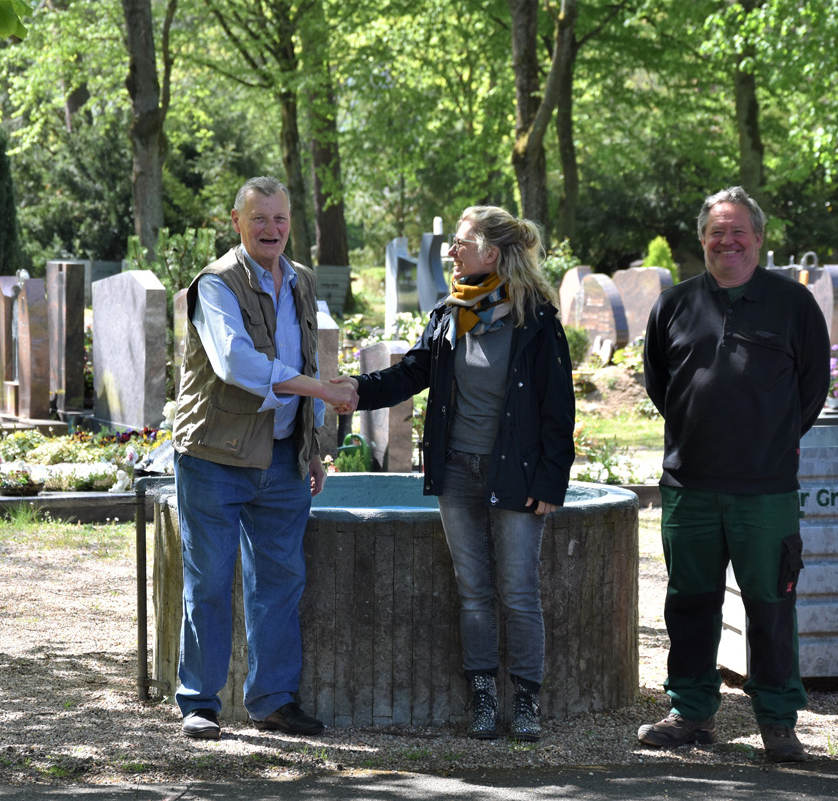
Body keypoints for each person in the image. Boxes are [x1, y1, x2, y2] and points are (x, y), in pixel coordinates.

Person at [333, 206, 575, 742]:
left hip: (516, 473)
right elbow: (411, 373)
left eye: (461, 243)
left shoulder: (536, 321)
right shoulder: (449, 314)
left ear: (492, 252)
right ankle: (484, 701)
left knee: (518, 592)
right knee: (474, 592)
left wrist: (551, 481)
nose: (450, 252)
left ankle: (527, 703)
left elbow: (559, 410)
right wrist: (353, 389)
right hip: (457, 470)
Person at [639, 186, 829, 763]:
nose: (728, 241)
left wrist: (765, 442)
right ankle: (692, 711)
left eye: (738, 230)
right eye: (716, 232)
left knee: (771, 605)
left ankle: (777, 720)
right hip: (688, 487)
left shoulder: (793, 304)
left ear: (759, 239)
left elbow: (811, 391)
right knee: (690, 603)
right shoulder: (673, 305)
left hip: (765, 491)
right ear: (702, 240)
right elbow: (659, 385)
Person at [170, 176, 358, 740]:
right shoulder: (216, 285)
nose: (271, 229)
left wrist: (313, 449)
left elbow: (306, 351)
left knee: (280, 580)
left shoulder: (300, 280)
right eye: (259, 219)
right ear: (236, 222)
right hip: (213, 456)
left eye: (280, 219)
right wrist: (322, 391)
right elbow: (237, 365)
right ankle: (199, 704)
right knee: (208, 581)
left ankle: (273, 702)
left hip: (282, 460)